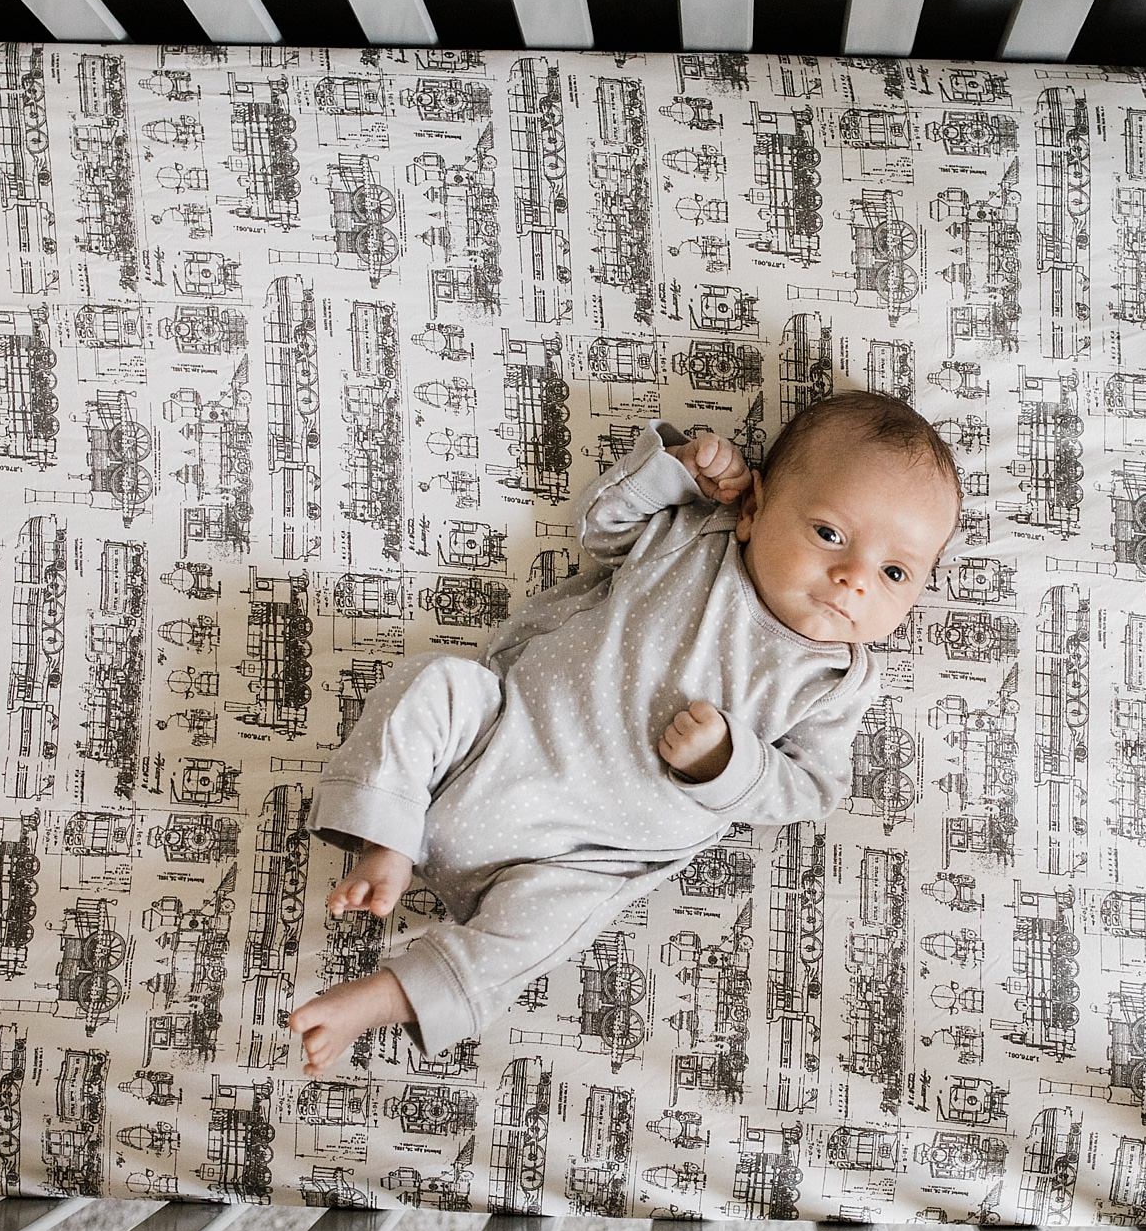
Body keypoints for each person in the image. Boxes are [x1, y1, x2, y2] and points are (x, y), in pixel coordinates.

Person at [287, 391, 963, 1076]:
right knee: (432, 685)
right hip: (495, 735)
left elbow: (812, 789)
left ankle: (382, 998)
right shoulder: (697, 536)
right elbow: (600, 528)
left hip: (587, 854)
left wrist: (730, 761)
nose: (854, 579)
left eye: (895, 572)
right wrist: (674, 470)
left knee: (541, 932)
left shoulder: (835, 681)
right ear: (754, 510)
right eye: (829, 534)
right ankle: (388, 840)